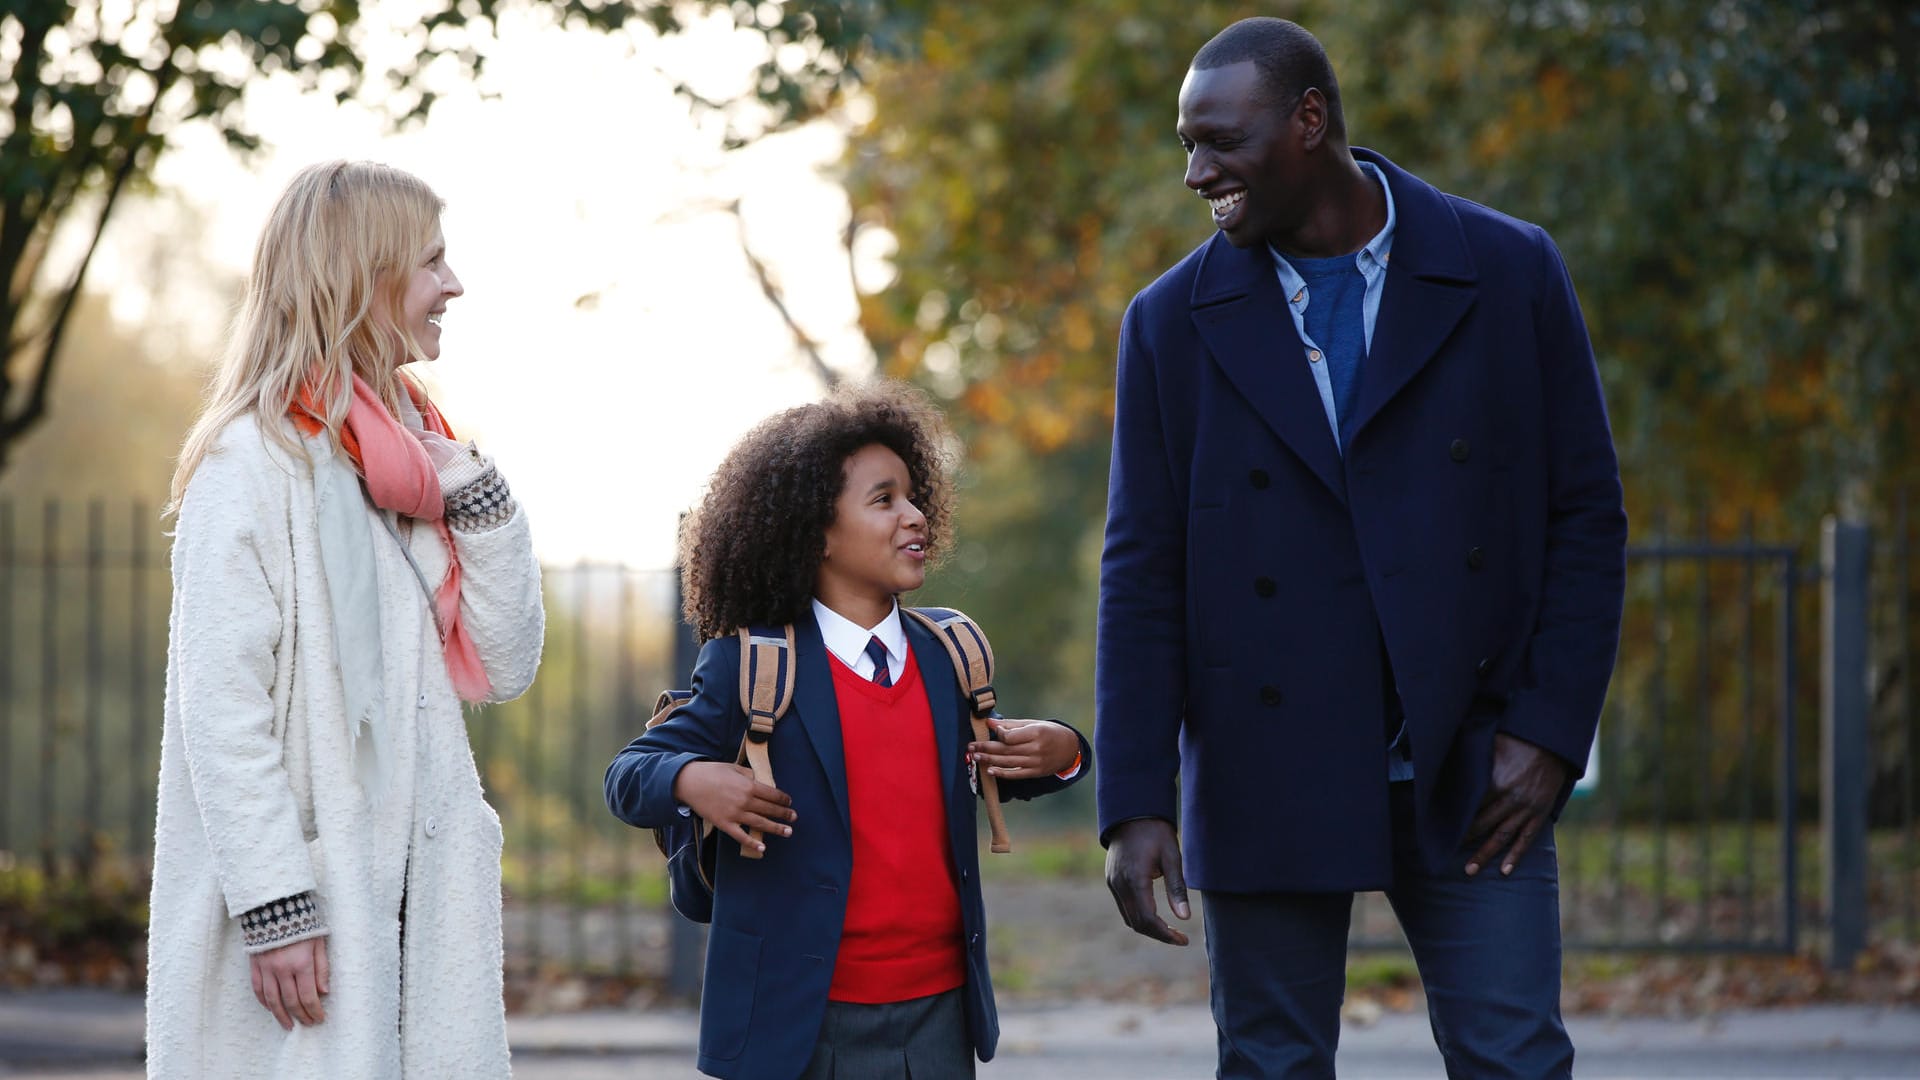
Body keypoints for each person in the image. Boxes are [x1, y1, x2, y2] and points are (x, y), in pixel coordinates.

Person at [1095, 17, 1627, 1079]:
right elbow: (1143, 573)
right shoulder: (1168, 324)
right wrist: (1137, 801)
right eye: (1185, 145)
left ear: (1309, 121)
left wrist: (1551, 732)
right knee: (1272, 1063)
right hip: (1264, 761)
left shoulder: (1509, 270)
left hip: (1476, 762)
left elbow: (1587, 516)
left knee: (1517, 1059)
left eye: (1220, 141)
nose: (1197, 173)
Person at [147, 160, 545, 1078]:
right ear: (360, 276)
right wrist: (277, 901)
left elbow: (506, 660)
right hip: (307, 925)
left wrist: (480, 504)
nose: (454, 285)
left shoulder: (419, 465)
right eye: (432, 262)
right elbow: (221, 708)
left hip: (417, 906)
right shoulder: (249, 465)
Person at [605, 381, 1090, 1080]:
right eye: (884, 499)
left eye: (916, 496)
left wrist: (1067, 751)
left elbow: (998, 769)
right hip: (798, 1023)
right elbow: (627, 776)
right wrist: (692, 777)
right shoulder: (751, 663)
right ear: (816, 533)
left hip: (939, 1018)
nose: (916, 515)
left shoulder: (950, 657)